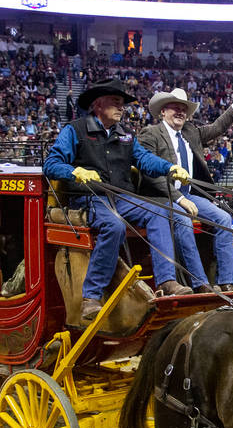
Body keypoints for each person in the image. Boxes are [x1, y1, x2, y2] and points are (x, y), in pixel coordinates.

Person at [43, 77, 200, 320]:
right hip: (91, 198)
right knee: (113, 225)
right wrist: (74, 171)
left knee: (159, 212)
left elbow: (144, 159)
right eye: (116, 102)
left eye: (122, 103)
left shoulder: (125, 134)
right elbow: (51, 164)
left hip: (122, 198)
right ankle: (91, 297)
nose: (121, 107)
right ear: (98, 105)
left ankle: (167, 281)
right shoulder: (74, 130)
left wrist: (168, 168)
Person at [137, 77, 233, 293]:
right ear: (163, 111)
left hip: (189, 195)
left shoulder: (191, 132)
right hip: (163, 197)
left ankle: (227, 281)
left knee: (224, 219)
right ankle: (200, 283)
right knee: (183, 220)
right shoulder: (150, 133)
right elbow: (148, 173)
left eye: (184, 109)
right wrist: (179, 198)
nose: (180, 112)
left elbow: (218, 126)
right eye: (175, 108)